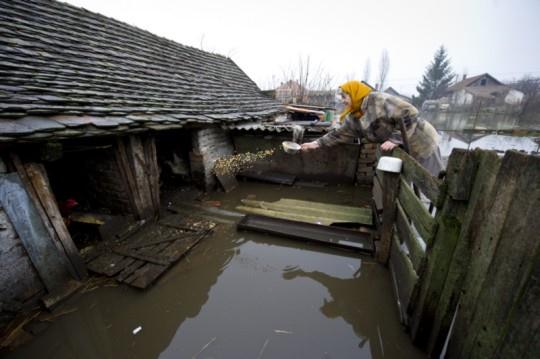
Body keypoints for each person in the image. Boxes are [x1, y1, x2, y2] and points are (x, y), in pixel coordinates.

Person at [301, 80, 443, 176]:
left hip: (421, 143)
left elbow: (409, 112)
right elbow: (338, 134)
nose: (343, 101)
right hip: (404, 151)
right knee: (412, 184)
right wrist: (315, 144)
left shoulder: (377, 100)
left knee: (433, 182)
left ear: (354, 93)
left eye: (345, 96)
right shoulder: (355, 116)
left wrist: (395, 139)